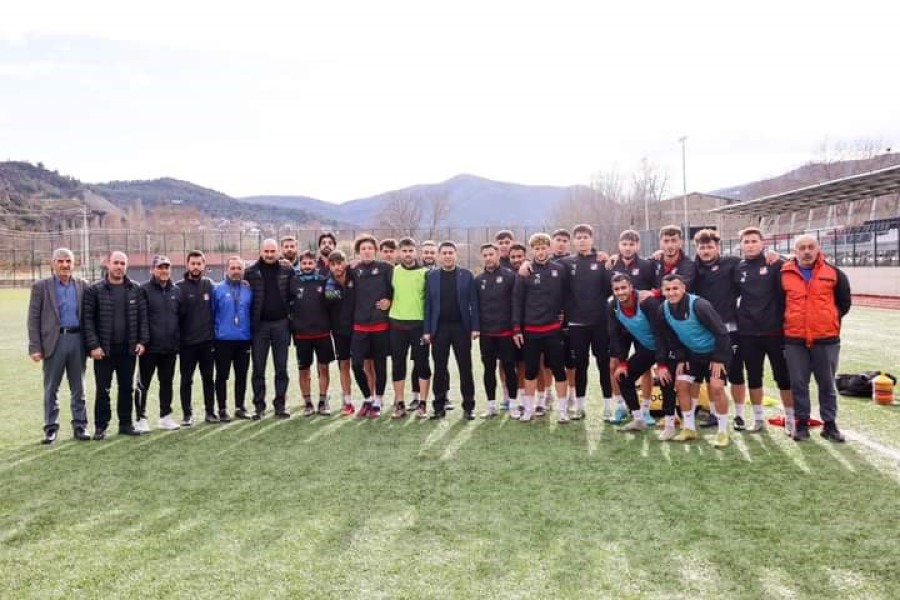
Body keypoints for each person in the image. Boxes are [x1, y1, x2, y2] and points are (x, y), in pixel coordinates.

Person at [781, 235, 852, 442]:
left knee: (827, 384)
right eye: (802, 248)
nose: (807, 251)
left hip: (826, 338)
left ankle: (829, 424)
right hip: (795, 339)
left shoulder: (834, 273)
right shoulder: (784, 274)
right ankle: (802, 423)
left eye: (811, 247)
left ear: (818, 248)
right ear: (795, 251)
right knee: (798, 384)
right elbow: (778, 303)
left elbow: (844, 302)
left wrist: (827, 319)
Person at [658, 274, 732, 448]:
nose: (671, 292)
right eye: (667, 289)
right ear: (662, 291)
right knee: (681, 384)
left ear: (683, 288)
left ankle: (723, 432)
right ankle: (689, 428)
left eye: (675, 288)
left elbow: (722, 332)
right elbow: (671, 336)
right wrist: (681, 357)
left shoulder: (699, 305)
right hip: (693, 355)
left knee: (716, 387)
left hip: (715, 353)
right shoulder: (663, 309)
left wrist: (719, 358)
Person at [83, 251, 149, 439]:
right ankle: (101, 426)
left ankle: (126, 424)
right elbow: (87, 320)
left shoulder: (135, 289)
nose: (119, 266)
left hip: (128, 349)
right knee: (103, 390)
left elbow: (143, 318)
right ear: (108, 264)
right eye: (116, 263)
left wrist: (142, 341)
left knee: (126, 388)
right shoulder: (94, 290)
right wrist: (94, 345)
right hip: (103, 350)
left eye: (122, 263)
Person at [733, 227, 793, 434]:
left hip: (775, 331)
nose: (750, 245)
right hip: (748, 333)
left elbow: (795, 262)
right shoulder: (738, 267)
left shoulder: (774, 263)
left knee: (783, 377)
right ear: (741, 245)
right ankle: (758, 419)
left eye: (754, 241)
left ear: (762, 243)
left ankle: (790, 419)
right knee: (754, 376)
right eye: (746, 241)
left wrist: (781, 256)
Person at [27, 247, 90, 443]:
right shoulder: (41, 287)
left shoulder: (83, 285)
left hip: (77, 340)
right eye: (60, 261)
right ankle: (50, 428)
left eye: (68, 261)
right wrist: (35, 347)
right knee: (51, 388)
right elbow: (33, 318)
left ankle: (80, 426)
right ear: (53, 263)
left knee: (79, 387)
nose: (65, 265)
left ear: (73, 263)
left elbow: (89, 316)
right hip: (53, 342)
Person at [607, 273, 678, 439]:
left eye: (624, 288)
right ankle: (638, 420)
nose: (620, 292)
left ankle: (670, 425)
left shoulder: (647, 302)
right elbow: (615, 335)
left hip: (668, 346)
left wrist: (661, 364)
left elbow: (660, 333)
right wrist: (622, 362)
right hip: (648, 348)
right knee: (623, 376)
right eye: (616, 289)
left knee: (665, 380)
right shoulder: (613, 306)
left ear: (631, 287)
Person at [512, 233, 570, 423]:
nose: (541, 251)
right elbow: (517, 301)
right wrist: (516, 329)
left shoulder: (559, 269)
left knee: (559, 370)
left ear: (549, 248)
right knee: (531, 371)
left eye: (544, 247)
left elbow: (566, 296)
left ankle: (562, 411)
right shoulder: (525, 271)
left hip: (553, 330)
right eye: (537, 248)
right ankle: (528, 409)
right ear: (532, 250)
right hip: (531, 331)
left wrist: (564, 315)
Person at [692, 229, 745, 430]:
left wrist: (773, 256)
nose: (705, 251)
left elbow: (754, 263)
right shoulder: (694, 268)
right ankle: (714, 413)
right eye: (702, 247)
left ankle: (740, 415)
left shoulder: (732, 262)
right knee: (711, 374)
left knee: (736, 374)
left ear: (718, 247)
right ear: (697, 249)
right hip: (706, 331)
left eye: (709, 247)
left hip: (730, 329)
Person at [423, 241, 479, 420]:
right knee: (439, 368)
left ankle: (469, 406)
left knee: (465, 367)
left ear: (456, 255)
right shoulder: (431, 276)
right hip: (439, 329)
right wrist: (427, 330)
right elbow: (428, 305)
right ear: (439, 256)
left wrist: (475, 327)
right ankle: (439, 406)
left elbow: (474, 303)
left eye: (450, 252)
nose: (447, 256)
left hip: (461, 328)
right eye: (444, 253)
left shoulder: (466, 275)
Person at [561, 224, 612, 421]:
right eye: (579, 237)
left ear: (591, 239)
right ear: (574, 241)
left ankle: (608, 406)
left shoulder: (602, 261)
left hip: (600, 323)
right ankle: (580, 407)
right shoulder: (567, 263)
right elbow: (548, 268)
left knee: (603, 364)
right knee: (580, 365)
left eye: (585, 237)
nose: (582, 240)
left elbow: (609, 289)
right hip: (576, 324)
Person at [608, 230, 656, 421]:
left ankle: (645, 409)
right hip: (621, 323)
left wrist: (651, 294)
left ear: (638, 246)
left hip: (641, 323)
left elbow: (657, 288)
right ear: (619, 245)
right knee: (614, 364)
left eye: (631, 244)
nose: (628, 248)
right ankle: (620, 406)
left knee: (644, 367)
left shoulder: (648, 265)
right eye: (624, 244)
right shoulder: (611, 264)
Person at [244, 239, 295, 419]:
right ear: (261, 251)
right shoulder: (250, 272)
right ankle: (259, 406)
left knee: (281, 368)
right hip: (260, 327)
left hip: (281, 325)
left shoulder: (287, 270)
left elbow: (294, 293)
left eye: (272, 251)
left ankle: (280, 405)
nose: (269, 255)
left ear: (278, 251)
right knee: (258, 369)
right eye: (266, 251)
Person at [135, 255, 182, 432]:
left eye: (166, 267)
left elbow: (180, 317)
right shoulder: (143, 290)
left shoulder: (176, 291)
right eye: (160, 267)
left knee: (167, 383)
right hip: (149, 348)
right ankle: (140, 418)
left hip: (170, 348)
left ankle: (165, 417)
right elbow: (140, 318)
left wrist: (177, 341)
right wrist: (142, 341)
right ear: (152, 270)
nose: (164, 271)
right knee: (143, 384)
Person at [350, 235, 393, 419]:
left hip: (380, 326)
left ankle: (378, 401)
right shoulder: (353, 270)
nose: (367, 251)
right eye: (363, 248)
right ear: (358, 252)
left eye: (370, 248)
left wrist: (390, 301)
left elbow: (395, 291)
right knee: (356, 365)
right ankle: (367, 398)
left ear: (375, 250)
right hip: (359, 326)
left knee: (380, 365)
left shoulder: (386, 269)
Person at [474, 243, 518, 418]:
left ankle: (513, 405)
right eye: (485, 255)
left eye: (491, 254)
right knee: (488, 369)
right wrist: (476, 328)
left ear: (498, 254)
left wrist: (515, 327)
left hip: (506, 332)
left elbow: (515, 304)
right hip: (486, 333)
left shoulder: (510, 276)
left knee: (509, 368)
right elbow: (476, 307)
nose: (488, 258)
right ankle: (491, 406)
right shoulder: (478, 280)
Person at [388, 238, 431, 418]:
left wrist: (428, 328)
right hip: (397, 325)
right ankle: (400, 404)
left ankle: (422, 403)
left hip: (418, 326)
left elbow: (430, 302)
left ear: (416, 252)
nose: (407, 254)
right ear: (400, 252)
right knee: (398, 364)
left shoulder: (426, 273)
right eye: (404, 251)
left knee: (422, 364)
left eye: (410, 251)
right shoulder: (393, 272)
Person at [289, 250, 334, 416]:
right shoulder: (293, 281)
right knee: (304, 370)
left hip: (322, 333)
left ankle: (322, 401)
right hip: (302, 335)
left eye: (310, 263)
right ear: (300, 264)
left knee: (324, 368)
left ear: (315, 264)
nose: (307, 266)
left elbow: (333, 302)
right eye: (304, 263)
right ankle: (307, 402)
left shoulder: (323, 281)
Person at [176, 250, 217, 424]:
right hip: (187, 345)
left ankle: (210, 412)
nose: (195, 267)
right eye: (193, 263)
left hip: (207, 343)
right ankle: (187, 414)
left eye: (199, 263)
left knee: (208, 379)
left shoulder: (210, 285)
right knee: (186, 380)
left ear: (204, 265)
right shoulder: (179, 287)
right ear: (187, 265)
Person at [212, 256, 253, 420]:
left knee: (242, 375)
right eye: (233, 268)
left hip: (244, 339)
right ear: (226, 270)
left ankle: (240, 407)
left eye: (239, 268)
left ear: (243, 271)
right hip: (223, 340)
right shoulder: (217, 289)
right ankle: (222, 409)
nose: (236, 271)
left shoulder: (248, 289)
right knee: (222, 375)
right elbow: (211, 314)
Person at [324, 251, 357, 416]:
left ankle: (371, 400)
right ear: (329, 266)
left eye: (340, 263)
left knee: (365, 364)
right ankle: (348, 401)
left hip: (359, 329)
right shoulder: (327, 284)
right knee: (344, 365)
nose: (337, 267)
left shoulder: (355, 276)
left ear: (346, 263)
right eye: (333, 264)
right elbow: (329, 301)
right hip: (339, 332)